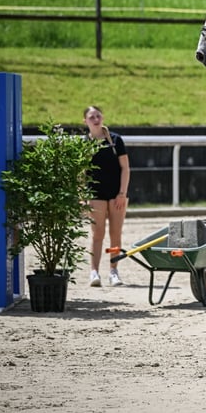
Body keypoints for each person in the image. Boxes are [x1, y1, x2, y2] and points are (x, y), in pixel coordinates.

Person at [83, 106, 130, 287]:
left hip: (116, 193)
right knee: (97, 233)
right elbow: (81, 172)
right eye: (91, 117)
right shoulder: (84, 143)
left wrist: (122, 193)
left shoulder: (116, 140)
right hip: (95, 193)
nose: (95, 119)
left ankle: (113, 271)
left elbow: (125, 168)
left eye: (98, 116)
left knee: (115, 234)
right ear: (85, 121)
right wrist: (82, 195)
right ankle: (94, 272)